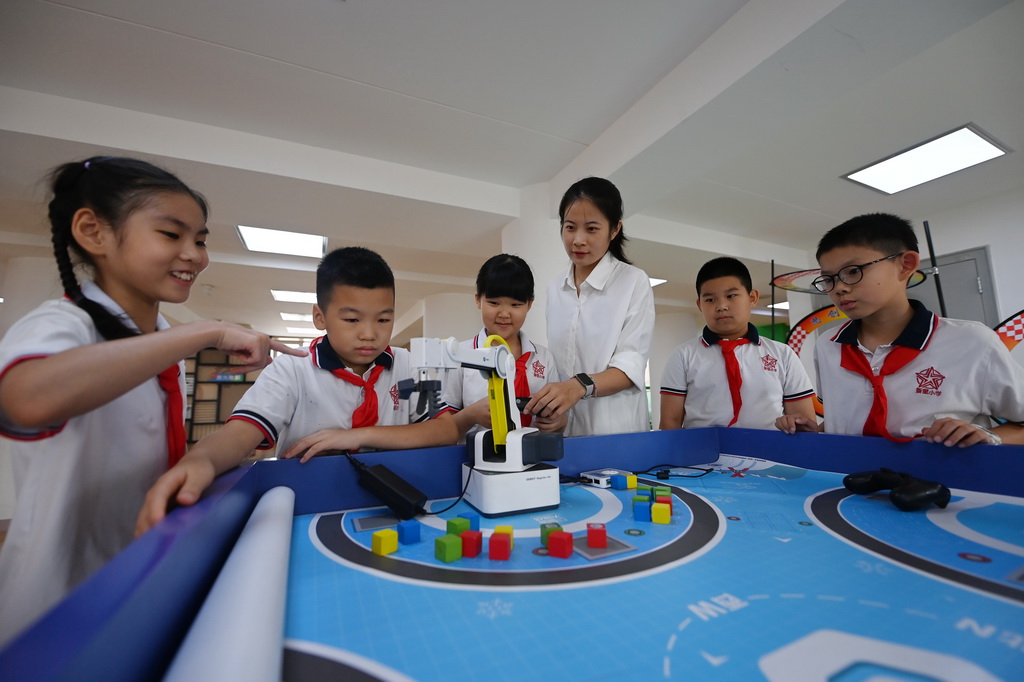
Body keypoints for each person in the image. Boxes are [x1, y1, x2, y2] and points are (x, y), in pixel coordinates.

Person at [0, 156, 301, 645]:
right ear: (93, 232)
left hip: (135, 571)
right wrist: (204, 332)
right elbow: (26, 399)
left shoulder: (158, 340)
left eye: (201, 240)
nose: (196, 255)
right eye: (171, 234)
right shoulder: (64, 322)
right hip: (58, 601)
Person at [136, 246, 479, 534]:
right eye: (352, 319)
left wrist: (356, 437)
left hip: (398, 499)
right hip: (312, 505)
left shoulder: (407, 366)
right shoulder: (294, 369)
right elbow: (239, 435)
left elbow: (442, 431)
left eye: (383, 319)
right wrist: (202, 460)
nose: (369, 334)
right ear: (320, 316)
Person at [776, 213, 1024, 446]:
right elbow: (847, 419)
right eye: (829, 279)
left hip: (943, 485)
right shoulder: (828, 345)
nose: (838, 288)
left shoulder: (972, 342)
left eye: (853, 271)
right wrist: (816, 433)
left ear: (906, 265)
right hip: (851, 483)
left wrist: (988, 436)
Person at [526, 177, 655, 436]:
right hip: (564, 430)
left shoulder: (633, 281)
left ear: (614, 229)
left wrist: (578, 386)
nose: (578, 240)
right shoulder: (555, 288)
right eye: (570, 227)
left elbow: (630, 366)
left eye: (592, 229)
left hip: (615, 430)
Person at [660, 257, 815, 430]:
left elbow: (804, 421)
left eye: (731, 296)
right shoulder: (683, 355)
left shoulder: (783, 354)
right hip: (704, 454)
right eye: (710, 299)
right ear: (699, 305)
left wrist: (794, 423)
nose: (721, 306)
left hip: (770, 452)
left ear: (752, 297)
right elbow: (670, 422)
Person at [437, 254, 565, 437]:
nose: (504, 313)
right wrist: (470, 415)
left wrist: (558, 422)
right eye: (494, 303)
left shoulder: (544, 358)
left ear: (529, 304)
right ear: (477, 300)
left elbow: (558, 417)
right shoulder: (459, 355)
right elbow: (441, 429)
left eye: (515, 304)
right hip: (474, 460)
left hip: (533, 460)